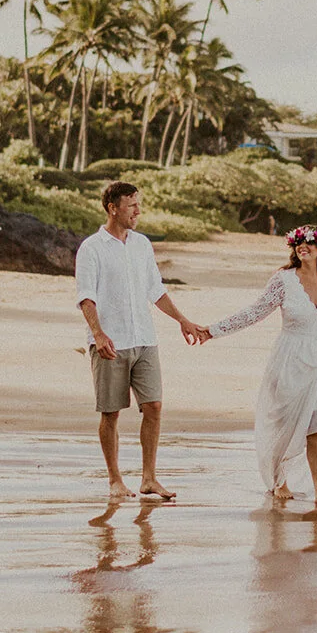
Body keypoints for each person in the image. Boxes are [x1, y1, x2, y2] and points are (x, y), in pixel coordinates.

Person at [200, 225, 317, 507]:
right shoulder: (284, 280)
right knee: (286, 425)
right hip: (290, 360)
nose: (303, 247)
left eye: (309, 243)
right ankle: (280, 480)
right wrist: (214, 330)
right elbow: (254, 312)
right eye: (298, 243)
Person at [76, 181, 209, 500]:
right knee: (111, 413)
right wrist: (98, 333)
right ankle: (115, 480)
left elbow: (156, 290)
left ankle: (149, 478)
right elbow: (86, 296)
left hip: (144, 339)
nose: (138, 210)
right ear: (113, 208)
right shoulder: (91, 248)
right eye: (131, 205)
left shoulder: (141, 244)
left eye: (138, 204)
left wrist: (183, 320)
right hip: (110, 342)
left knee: (154, 406)